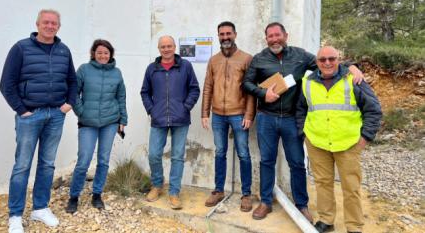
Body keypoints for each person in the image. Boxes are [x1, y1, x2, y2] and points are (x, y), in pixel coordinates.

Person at [242, 22, 363, 221]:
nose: (274, 39)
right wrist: (263, 93)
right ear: (266, 39)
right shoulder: (259, 59)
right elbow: (246, 83)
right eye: (270, 36)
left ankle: (302, 205)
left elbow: (327, 63)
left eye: (277, 35)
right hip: (266, 118)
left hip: (292, 119)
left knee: (297, 163)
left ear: (285, 35)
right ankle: (265, 202)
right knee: (266, 161)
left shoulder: (301, 55)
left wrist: (350, 66)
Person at [0, 9, 77, 233]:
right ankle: (15, 215)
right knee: (22, 166)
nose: (50, 26)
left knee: (47, 164)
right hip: (30, 116)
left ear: (58, 27)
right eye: (46, 22)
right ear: (37, 24)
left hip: (55, 115)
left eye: (54, 23)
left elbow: (72, 80)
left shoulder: (64, 50)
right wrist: (22, 110)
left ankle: (40, 208)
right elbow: (7, 83)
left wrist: (68, 104)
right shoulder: (21, 48)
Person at [296, 46, 382, 233]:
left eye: (332, 59)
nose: (327, 63)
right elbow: (301, 109)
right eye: (322, 60)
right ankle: (326, 220)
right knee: (322, 183)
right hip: (317, 142)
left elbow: (373, 109)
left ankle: (354, 226)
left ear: (339, 59)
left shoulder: (354, 80)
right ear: (317, 62)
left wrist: (365, 137)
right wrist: (304, 133)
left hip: (348, 144)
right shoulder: (307, 82)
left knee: (351, 187)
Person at [66, 39, 128, 214]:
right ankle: (74, 196)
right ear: (93, 53)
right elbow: (73, 93)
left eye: (106, 53)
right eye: (99, 52)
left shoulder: (117, 73)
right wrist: (81, 111)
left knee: (103, 160)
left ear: (111, 55)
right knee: (83, 160)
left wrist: (123, 119)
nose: (103, 55)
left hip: (110, 122)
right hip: (88, 122)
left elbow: (121, 97)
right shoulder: (84, 70)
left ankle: (97, 194)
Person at [140, 35, 200, 210]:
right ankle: (157, 185)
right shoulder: (152, 69)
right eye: (162, 46)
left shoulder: (185, 66)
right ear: (159, 49)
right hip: (158, 118)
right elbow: (144, 92)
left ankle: (174, 192)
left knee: (177, 156)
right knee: (154, 154)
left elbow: (194, 88)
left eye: (169, 46)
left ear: (174, 47)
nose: (166, 49)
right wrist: (152, 109)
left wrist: (185, 107)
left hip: (180, 118)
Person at [201, 21, 256, 211]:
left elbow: (251, 90)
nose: (225, 37)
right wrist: (204, 113)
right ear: (218, 36)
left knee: (243, 153)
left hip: (239, 114)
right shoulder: (213, 60)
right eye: (222, 34)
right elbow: (208, 87)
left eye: (228, 34)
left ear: (235, 34)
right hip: (217, 115)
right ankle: (218, 190)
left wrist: (249, 113)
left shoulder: (246, 59)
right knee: (219, 152)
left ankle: (246, 194)